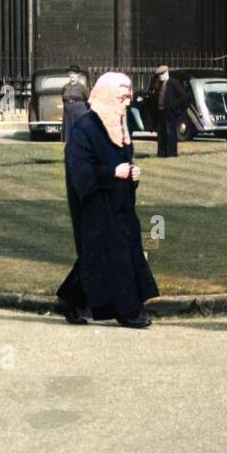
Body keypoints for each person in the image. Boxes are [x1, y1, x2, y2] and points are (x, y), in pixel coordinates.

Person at [56, 72, 158, 328]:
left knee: (102, 255)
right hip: (95, 205)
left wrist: (132, 174)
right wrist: (113, 172)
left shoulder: (121, 126)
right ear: (107, 98)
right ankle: (128, 312)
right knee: (113, 253)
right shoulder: (84, 129)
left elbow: (123, 160)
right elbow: (80, 174)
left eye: (129, 98)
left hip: (119, 203)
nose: (127, 103)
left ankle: (70, 299)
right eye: (122, 98)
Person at [153, 65, 189, 158]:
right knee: (161, 133)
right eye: (159, 74)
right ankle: (162, 153)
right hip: (161, 111)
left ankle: (172, 153)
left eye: (162, 74)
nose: (160, 76)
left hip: (170, 112)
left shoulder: (173, 83)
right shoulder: (159, 84)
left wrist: (174, 105)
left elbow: (184, 96)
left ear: (166, 73)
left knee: (170, 133)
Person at [60, 66, 90, 142]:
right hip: (68, 112)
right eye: (70, 74)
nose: (72, 76)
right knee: (68, 130)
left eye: (74, 74)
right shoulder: (65, 87)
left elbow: (88, 99)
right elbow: (63, 98)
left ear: (78, 76)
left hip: (79, 111)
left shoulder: (82, 87)